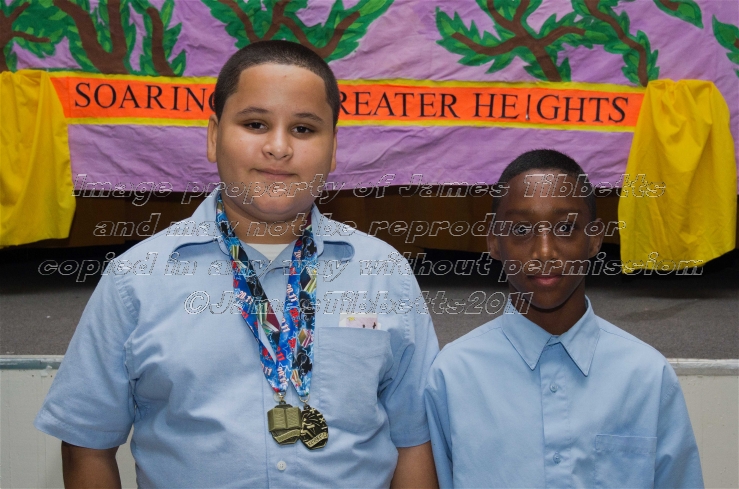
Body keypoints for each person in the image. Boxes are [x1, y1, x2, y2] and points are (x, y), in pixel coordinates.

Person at [35, 40, 439, 488]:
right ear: (213, 136)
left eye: (304, 129)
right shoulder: (136, 280)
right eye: (255, 124)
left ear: (333, 148)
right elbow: (86, 445)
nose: (279, 147)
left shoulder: (385, 274)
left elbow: (415, 439)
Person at [423, 149, 704, 488]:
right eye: (521, 229)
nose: (544, 251)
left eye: (566, 227)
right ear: (494, 242)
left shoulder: (646, 376)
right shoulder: (453, 376)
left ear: (595, 239)